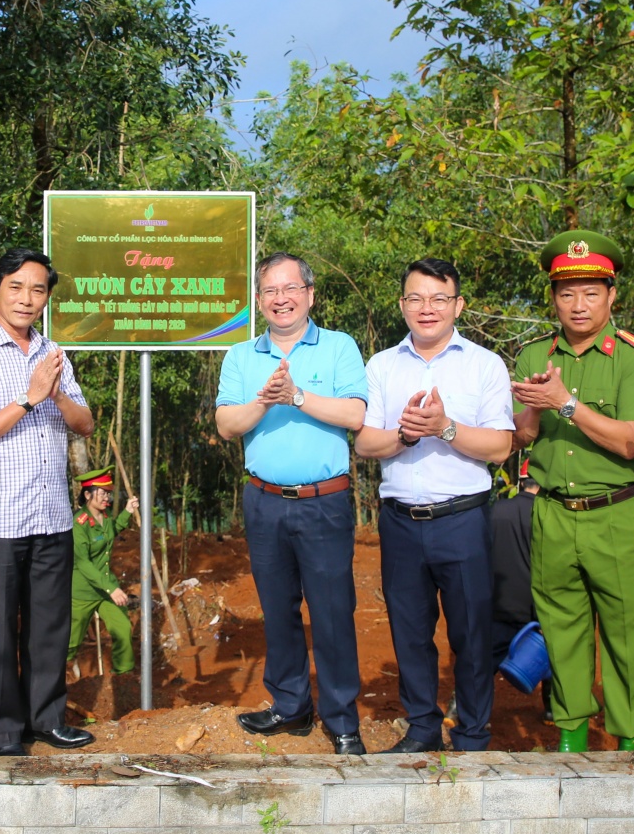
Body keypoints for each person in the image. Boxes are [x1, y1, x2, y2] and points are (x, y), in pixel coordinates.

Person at [510, 230, 634, 752]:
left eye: (591, 293)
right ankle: (571, 737)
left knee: (630, 633)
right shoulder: (535, 354)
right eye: (567, 293)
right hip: (553, 512)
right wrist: (535, 408)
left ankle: (630, 743)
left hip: (618, 513)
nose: (579, 305)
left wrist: (566, 403)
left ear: (611, 295)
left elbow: (631, 442)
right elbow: (522, 437)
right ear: (553, 298)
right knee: (561, 629)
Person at [355, 258, 514, 753]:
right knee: (410, 631)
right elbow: (365, 443)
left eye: (439, 299)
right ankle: (422, 727)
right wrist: (405, 434)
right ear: (402, 305)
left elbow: (500, 446)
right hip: (401, 522)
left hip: (462, 519)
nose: (427, 308)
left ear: (458, 305)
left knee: (471, 634)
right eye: (416, 298)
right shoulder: (382, 365)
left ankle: (472, 734)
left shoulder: (484, 365)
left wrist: (444, 427)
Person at [215, 252, 369, 755]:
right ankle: (290, 706)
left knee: (331, 611)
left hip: (324, 502)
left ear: (310, 294)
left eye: (290, 289)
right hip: (263, 502)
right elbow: (227, 424)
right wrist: (266, 398)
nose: (281, 299)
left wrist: (297, 395)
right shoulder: (241, 356)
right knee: (277, 609)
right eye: (270, 291)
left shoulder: (339, 346)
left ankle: (342, 720)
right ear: (258, 300)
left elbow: (355, 414)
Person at [0, 248, 96, 756]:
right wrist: (29, 398)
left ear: (47, 297)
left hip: (51, 513)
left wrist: (55, 394)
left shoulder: (54, 353)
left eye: (37, 290)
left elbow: (85, 423)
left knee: (49, 627)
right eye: (16, 287)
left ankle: (47, 719)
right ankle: (3, 730)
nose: (26, 299)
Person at [489, 461, 551, 719]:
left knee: (484, 663)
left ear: (521, 483)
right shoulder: (548, 515)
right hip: (536, 606)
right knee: (553, 657)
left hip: (499, 601)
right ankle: (553, 710)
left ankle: (462, 709)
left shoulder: (497, 510)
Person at [68, 466, 140, 677]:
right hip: (83, 591)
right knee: (71, 641)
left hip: (106, 588)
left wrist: (127, 511)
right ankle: (59, 673)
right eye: (102, 493)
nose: (106, 497)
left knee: (122, 629)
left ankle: (124, 678)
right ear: (87, 494)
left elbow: (110, 533)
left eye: (108, 493)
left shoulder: (105, 516)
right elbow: (83, 563)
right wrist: (112, 589)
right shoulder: (79, 524)